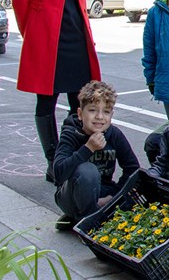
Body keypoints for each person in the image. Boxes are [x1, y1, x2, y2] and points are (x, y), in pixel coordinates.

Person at [13, 0, 101, 182]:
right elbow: (21, 0)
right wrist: (34, 35)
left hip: (76, 36)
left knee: (79, 101)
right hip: (47, 40)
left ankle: (77, 156)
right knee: (46, 102)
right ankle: (54, 161)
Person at [52, 80, 139, 231]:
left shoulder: (114, 134)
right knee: (87, 171)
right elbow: (58, 174)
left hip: (102, 192)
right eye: (92, 110)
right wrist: (88, 148)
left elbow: (133, 169)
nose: (99, 117)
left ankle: (83, 216)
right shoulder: (71, 133)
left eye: (106, 111)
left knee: (136, 194)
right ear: (80, 114)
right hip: (71, 195)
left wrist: (113, 195)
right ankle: (89, 225)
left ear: (111, 115)